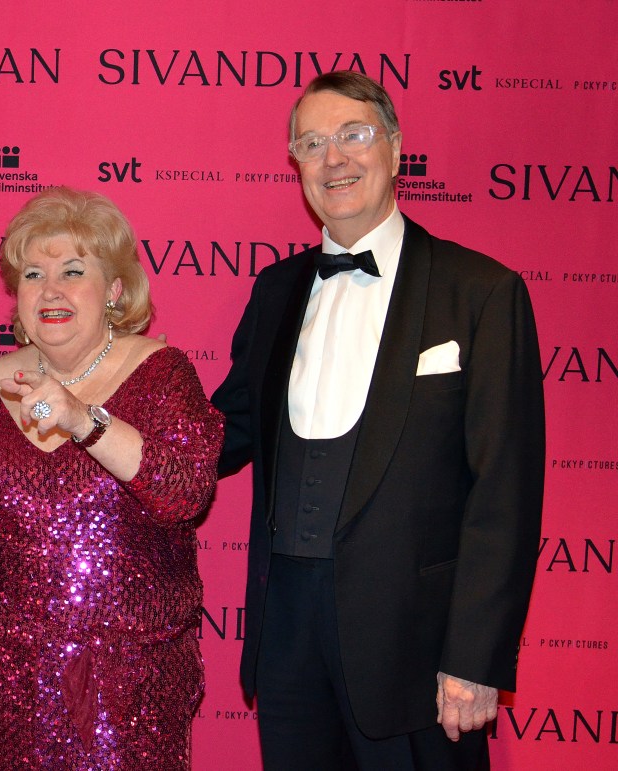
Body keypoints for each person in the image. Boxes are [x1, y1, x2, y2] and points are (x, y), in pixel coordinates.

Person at [210, 71, 545, 769]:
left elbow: (504, 494)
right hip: (288, 643)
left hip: (418, 653)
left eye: (353, 135)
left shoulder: (481, 292)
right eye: (311, 143)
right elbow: (220, 433)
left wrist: (475, 657)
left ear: (395, 147)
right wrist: (98, 414)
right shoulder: (275, 291)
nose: (333, 158)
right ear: (296, 165)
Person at [0, 186, 225, 769]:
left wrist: (81, 419)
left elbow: (185, 491)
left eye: (73, 271)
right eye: (33, 275)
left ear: (113, 289)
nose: (50, 291)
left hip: (130, 679)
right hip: (11, 678)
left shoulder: (161, 372)